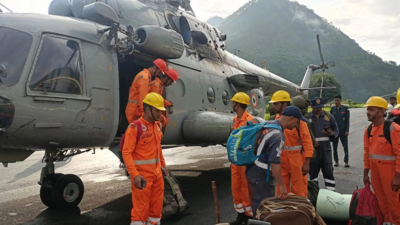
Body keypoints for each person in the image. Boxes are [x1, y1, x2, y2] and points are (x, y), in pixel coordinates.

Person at [246, 106, 307, 216]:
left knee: (257, 206)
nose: (296, 125)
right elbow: (274, 162)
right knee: (264, 209)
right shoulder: (278, 135)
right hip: (261, 176)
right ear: (291, 118)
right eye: (297, 122)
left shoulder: (269, 124)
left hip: (252, 171)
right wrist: (282, 186)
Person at [122, 92, 169, 225]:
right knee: (140, 212)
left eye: (161, 111)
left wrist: (164, 166)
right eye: (158, 110)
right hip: (142, 177)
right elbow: (127, 153)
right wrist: (135, 175)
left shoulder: (157, 126)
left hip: (157, 176)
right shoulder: (135, 128)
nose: (161, 114)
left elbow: (158, 149)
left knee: (156, 210)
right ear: (148, 109)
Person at [269, 91, 313, 198]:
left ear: (284, 104)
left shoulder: (299, 120)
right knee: (281, 190)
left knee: (299, 190)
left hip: (297, 159)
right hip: (281, 159)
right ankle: (285, 212)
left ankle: (300, 211)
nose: (273, 106)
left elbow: (307, 141)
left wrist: (307, 162)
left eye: (276, 104)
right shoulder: (275, 120)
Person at [363, 96, 400, 224]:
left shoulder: (393, 129)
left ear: (381, 111)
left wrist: (397, 177)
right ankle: (387, 222)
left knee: (393, 201)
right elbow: (367, 153)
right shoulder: (368, 130)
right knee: (381, 200)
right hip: (375, 172)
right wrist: (365, 173)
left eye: (371, 109)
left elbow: (399, 154)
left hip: (390, 172)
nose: (368, 112)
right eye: (368, 109)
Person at [229, 92, 257, 225]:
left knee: (246, 189)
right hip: (235, 161)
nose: (232, 104)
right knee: (236, 189)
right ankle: (240, 215)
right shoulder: (235, 120)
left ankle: (249, 217)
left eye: (233, 102)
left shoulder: (250, 120)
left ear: (237, 104)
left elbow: (255, 141)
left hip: (245, 161)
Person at [309, 97, 339, 191]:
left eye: (321, 107)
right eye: (317, 107)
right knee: (313, 174)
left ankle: (331, 195)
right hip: (313, 151)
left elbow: (336, 129)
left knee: (328, 173)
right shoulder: (307, 118)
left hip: (326, 150)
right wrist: (310, 144)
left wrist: (331, 134)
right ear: (311, 106)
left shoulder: (328, 116)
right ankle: (314, 196)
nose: (319, 109)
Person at [125, 59, 167, 124]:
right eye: (158, 72)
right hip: (136, 111)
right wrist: (145, 114)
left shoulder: (145, 76)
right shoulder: (145, 78)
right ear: (154, 68)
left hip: (135, 110)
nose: (157, 75)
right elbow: (143, 99)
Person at [330, 95, 350, 167]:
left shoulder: (345, 109)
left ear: (340, 100)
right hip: (335, 131)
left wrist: (347, 130)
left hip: (343, 130)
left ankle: (346, 161)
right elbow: (329, 120)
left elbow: (347, 121)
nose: (336, 102)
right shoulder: (332, 109)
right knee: (334, 147)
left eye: (337, 100)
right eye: (335, 100)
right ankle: (336, 161)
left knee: (345, 147)